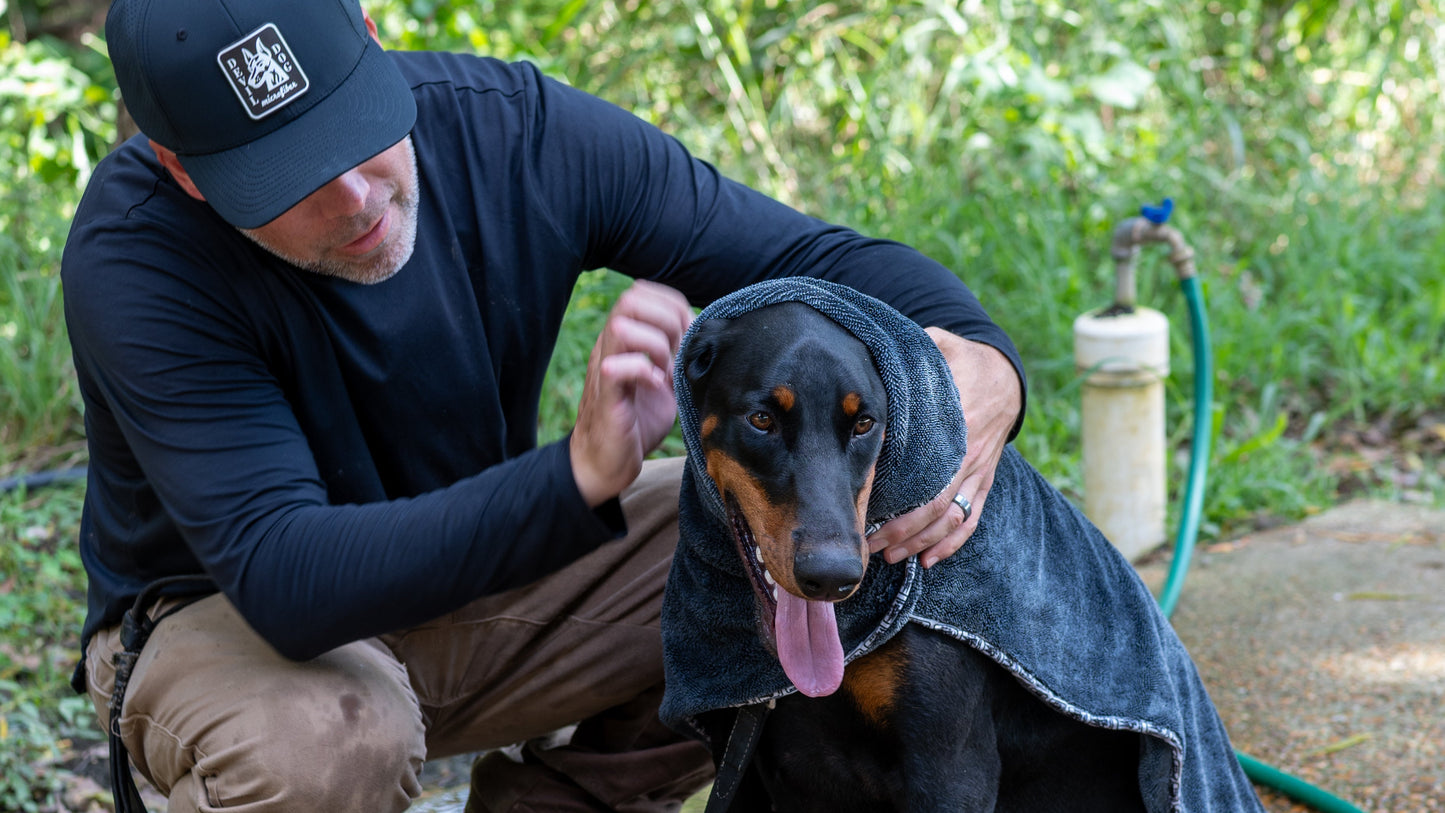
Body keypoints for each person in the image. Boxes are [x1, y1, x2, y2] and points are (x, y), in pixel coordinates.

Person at [62, 0, 1025, 810]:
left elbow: (811, 257)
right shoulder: (137, 256)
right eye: (291, 177)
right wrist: (574, 477)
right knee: (324, 741)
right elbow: (287, 576)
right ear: (183, 170)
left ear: (370, 36)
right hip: (227, 619)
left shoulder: (508, 132)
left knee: (819, 536)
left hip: (476, 581)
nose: (354, 196)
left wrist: (987, 363)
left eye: (353, 130)